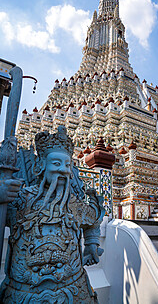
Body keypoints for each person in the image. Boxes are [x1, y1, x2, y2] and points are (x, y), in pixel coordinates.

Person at [0, 126, 105, 303]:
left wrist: (91, 243)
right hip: (23, 295)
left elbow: (93, 218)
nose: (64, 170)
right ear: (40, 165)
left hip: (75, 291)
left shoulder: (73, 203)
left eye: (67, 165)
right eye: (56, 164)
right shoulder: (19, 200)